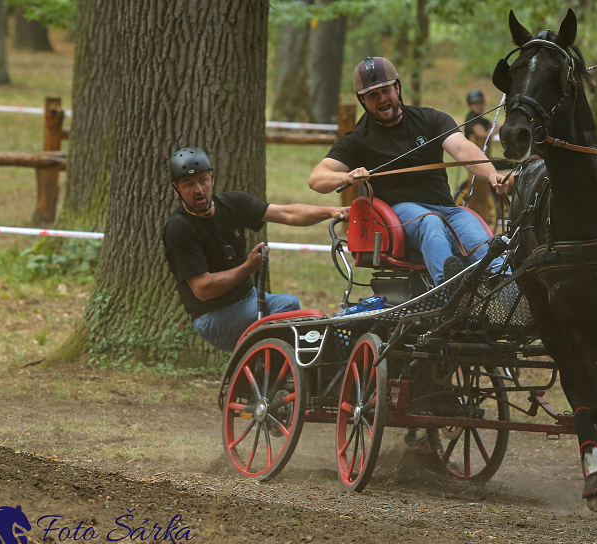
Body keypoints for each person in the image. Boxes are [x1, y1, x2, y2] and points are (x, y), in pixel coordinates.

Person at [308, 56, 509, 284]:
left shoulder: (430, 119)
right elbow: (317, 179)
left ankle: (508, 291)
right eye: (373, 95)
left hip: (448, 209)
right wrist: (347, 176)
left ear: (397, 88)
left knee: (485, 246)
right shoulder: (357, 139)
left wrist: (491, 174)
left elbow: (463, 149)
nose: (382, 99)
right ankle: (448, 289)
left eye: (386, 91)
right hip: (400, 214)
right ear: (362, 100)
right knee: (431, 222)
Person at [163, 147, 350, 351]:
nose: (199, 189)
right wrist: (248, 267)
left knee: (299, 312)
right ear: (176, 189)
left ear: (212, 179)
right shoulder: (179, 229)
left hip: (249, 299)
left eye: (203, 180)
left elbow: (287, 214)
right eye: (189, 184)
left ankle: (324, 356)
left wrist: (332, 211)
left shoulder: (232, 203)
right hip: (212, 317)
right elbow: (203, 289)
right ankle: (284, 361)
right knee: (287, 306)